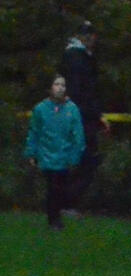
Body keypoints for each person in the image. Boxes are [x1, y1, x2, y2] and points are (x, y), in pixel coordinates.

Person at [24, 75, 85, 229]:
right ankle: (54, 220)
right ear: (50, 88)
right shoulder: (40, 109)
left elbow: (77, 135)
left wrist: (75, 156)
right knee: (53, 187)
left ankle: (57, 215)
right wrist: (31, 153)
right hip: (47, 155)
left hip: (64, 156)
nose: (60, 88)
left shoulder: (72, 109)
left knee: (61, 188)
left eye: (63, 85)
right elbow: (34, 132)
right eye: (56, 84)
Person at [60, 20, 109, 210]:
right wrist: (96, 116)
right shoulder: (78, 59)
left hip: (76, 116)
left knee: (80, 160)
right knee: (87, 160)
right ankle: (67, 201)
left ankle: (63, 201)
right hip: (81, 118)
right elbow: (84, 92)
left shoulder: (74, 57)